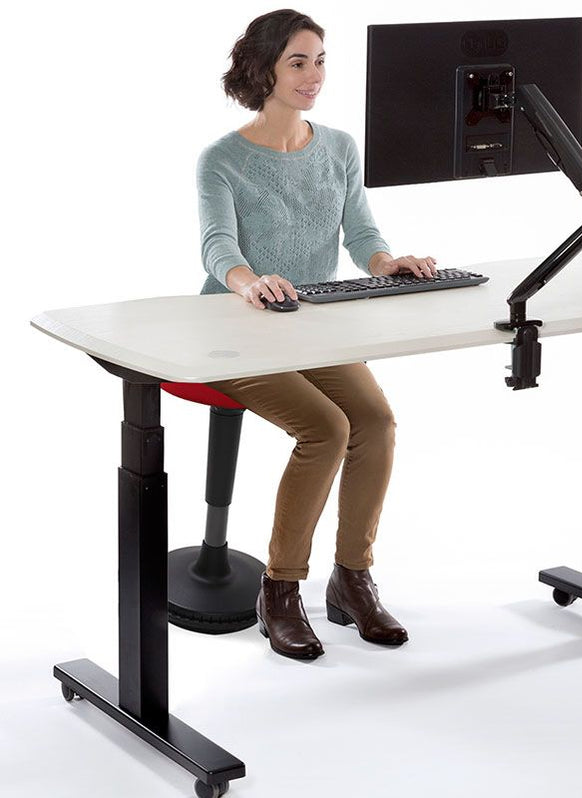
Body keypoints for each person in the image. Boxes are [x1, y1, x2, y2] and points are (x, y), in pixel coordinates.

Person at [198, 9, 436, 661]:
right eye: (297, 62)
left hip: (313, 327)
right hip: (235, 330)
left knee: (376, 424)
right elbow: (216, 245)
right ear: (265, 71)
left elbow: (360, 234)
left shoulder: (338, 148)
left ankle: (351, 580)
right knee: (324, 428)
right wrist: (247, 281)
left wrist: (389, 263)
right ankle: (280, 591)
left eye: (320, 60)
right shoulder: (222, 159)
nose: (313, 75)